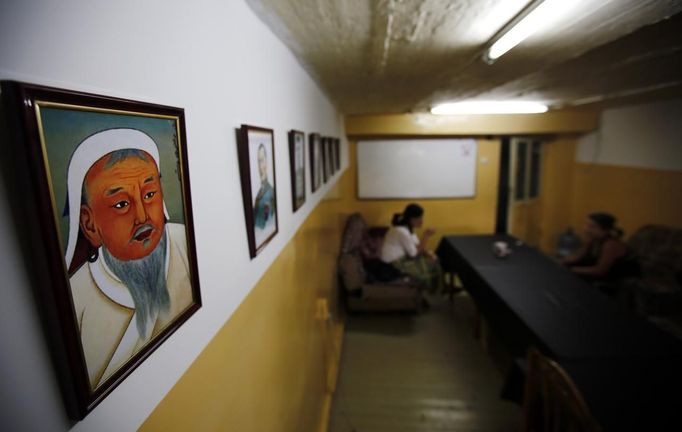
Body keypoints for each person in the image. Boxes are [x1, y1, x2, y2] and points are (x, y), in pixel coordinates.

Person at [64, 128, 193, 389]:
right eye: (122, 204)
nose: (143, 217)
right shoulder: (77, 298)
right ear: (89, 224)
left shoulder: (183, 243)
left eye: (149, 195)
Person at [380, 203, 443, 292]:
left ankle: (437, 290)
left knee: (434, 260)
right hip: (393, 265)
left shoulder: (408, 229)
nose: (422, 221)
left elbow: (417, 245)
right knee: (432, 266)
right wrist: (426, 236)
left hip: (402, 259)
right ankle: (435, 291)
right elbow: (414, 254)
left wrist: (429, 254)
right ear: (411, 219)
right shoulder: (401, 231)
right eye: (419, 218)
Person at [562, 212, 637, 283]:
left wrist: (573, 270)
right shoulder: (593, 240)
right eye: (587, 225)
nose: (586, 229)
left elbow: (600, 270)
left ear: (605, 230)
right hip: (600, 273)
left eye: (592, 227)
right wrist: (561, 262)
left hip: (617, 278)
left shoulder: (611, 244)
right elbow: (578, 257)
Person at [253, 143, 275, 230]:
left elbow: (268, 222)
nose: (260, 167)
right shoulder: (259, 193)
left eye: (262, 160)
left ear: (267, 161)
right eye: (258, 161)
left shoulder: (270, 192)